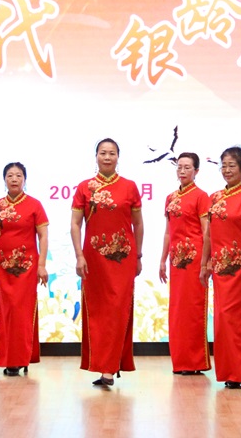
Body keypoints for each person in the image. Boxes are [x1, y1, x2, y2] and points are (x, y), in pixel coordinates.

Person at [70, 138, 144, 387]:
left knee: (118, 310)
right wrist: (79, 255)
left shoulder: (130, 187)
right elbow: (75, 224)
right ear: (96, 156)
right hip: (93, 260)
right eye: (103, 153)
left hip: (123, 259)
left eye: (112, 153)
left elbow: (138, 224)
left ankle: (110, 368)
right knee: (99, 312)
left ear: (118, 157)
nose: (107, 157)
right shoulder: (84, 188)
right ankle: (104, 366)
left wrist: (139, 255)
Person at [200, 146, 241, 389]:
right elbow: (208, 234)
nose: (227, 170)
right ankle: (229, 373)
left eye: (232, 166)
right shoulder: (214, 198)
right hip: (220, 271)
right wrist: (205, 263)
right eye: (223, 165)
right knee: (222, 320)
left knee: (238, 319)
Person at [0, 162, 49, 376]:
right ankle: (10, 359)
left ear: (24, 179)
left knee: (23, 312)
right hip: (3, 269)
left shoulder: (35, 205)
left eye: (18, 175)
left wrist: (41, 265)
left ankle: (23, 357)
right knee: (7, 311)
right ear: (4, 179)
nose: (14, 179)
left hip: (27, 269)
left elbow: (43, 236)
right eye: (10, 175)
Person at [158, 152, 211, 375]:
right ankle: (180, 361)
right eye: (179, 167)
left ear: (196, 171)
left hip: (195, 259)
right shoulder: (170, 198)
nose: (182, 171)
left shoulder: (202, 197)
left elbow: (207, 231)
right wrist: (162, 259)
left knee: (193, 308)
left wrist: (206, 261)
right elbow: (168, 232)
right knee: (178, 309)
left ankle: (195, 362)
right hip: (176, 261)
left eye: (187, 167)